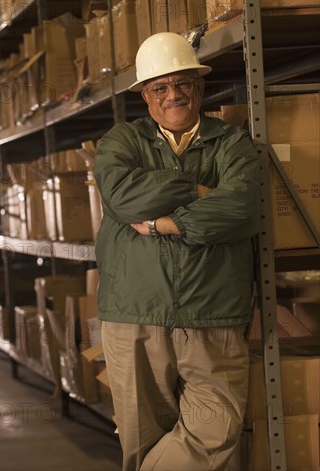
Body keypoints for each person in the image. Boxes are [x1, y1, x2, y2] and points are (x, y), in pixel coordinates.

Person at [94, 32, 260, 471]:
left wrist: (166, 223)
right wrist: (196, 189)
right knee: (141, 437)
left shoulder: (233, 144)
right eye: (160, 87)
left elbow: (241, 208)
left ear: (200, 87)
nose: (174, 95)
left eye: (183, 83)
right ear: (145, 96)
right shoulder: (121, 141)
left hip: (214, 312)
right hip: (135, 314)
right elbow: (121, 197)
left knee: (216, 430)